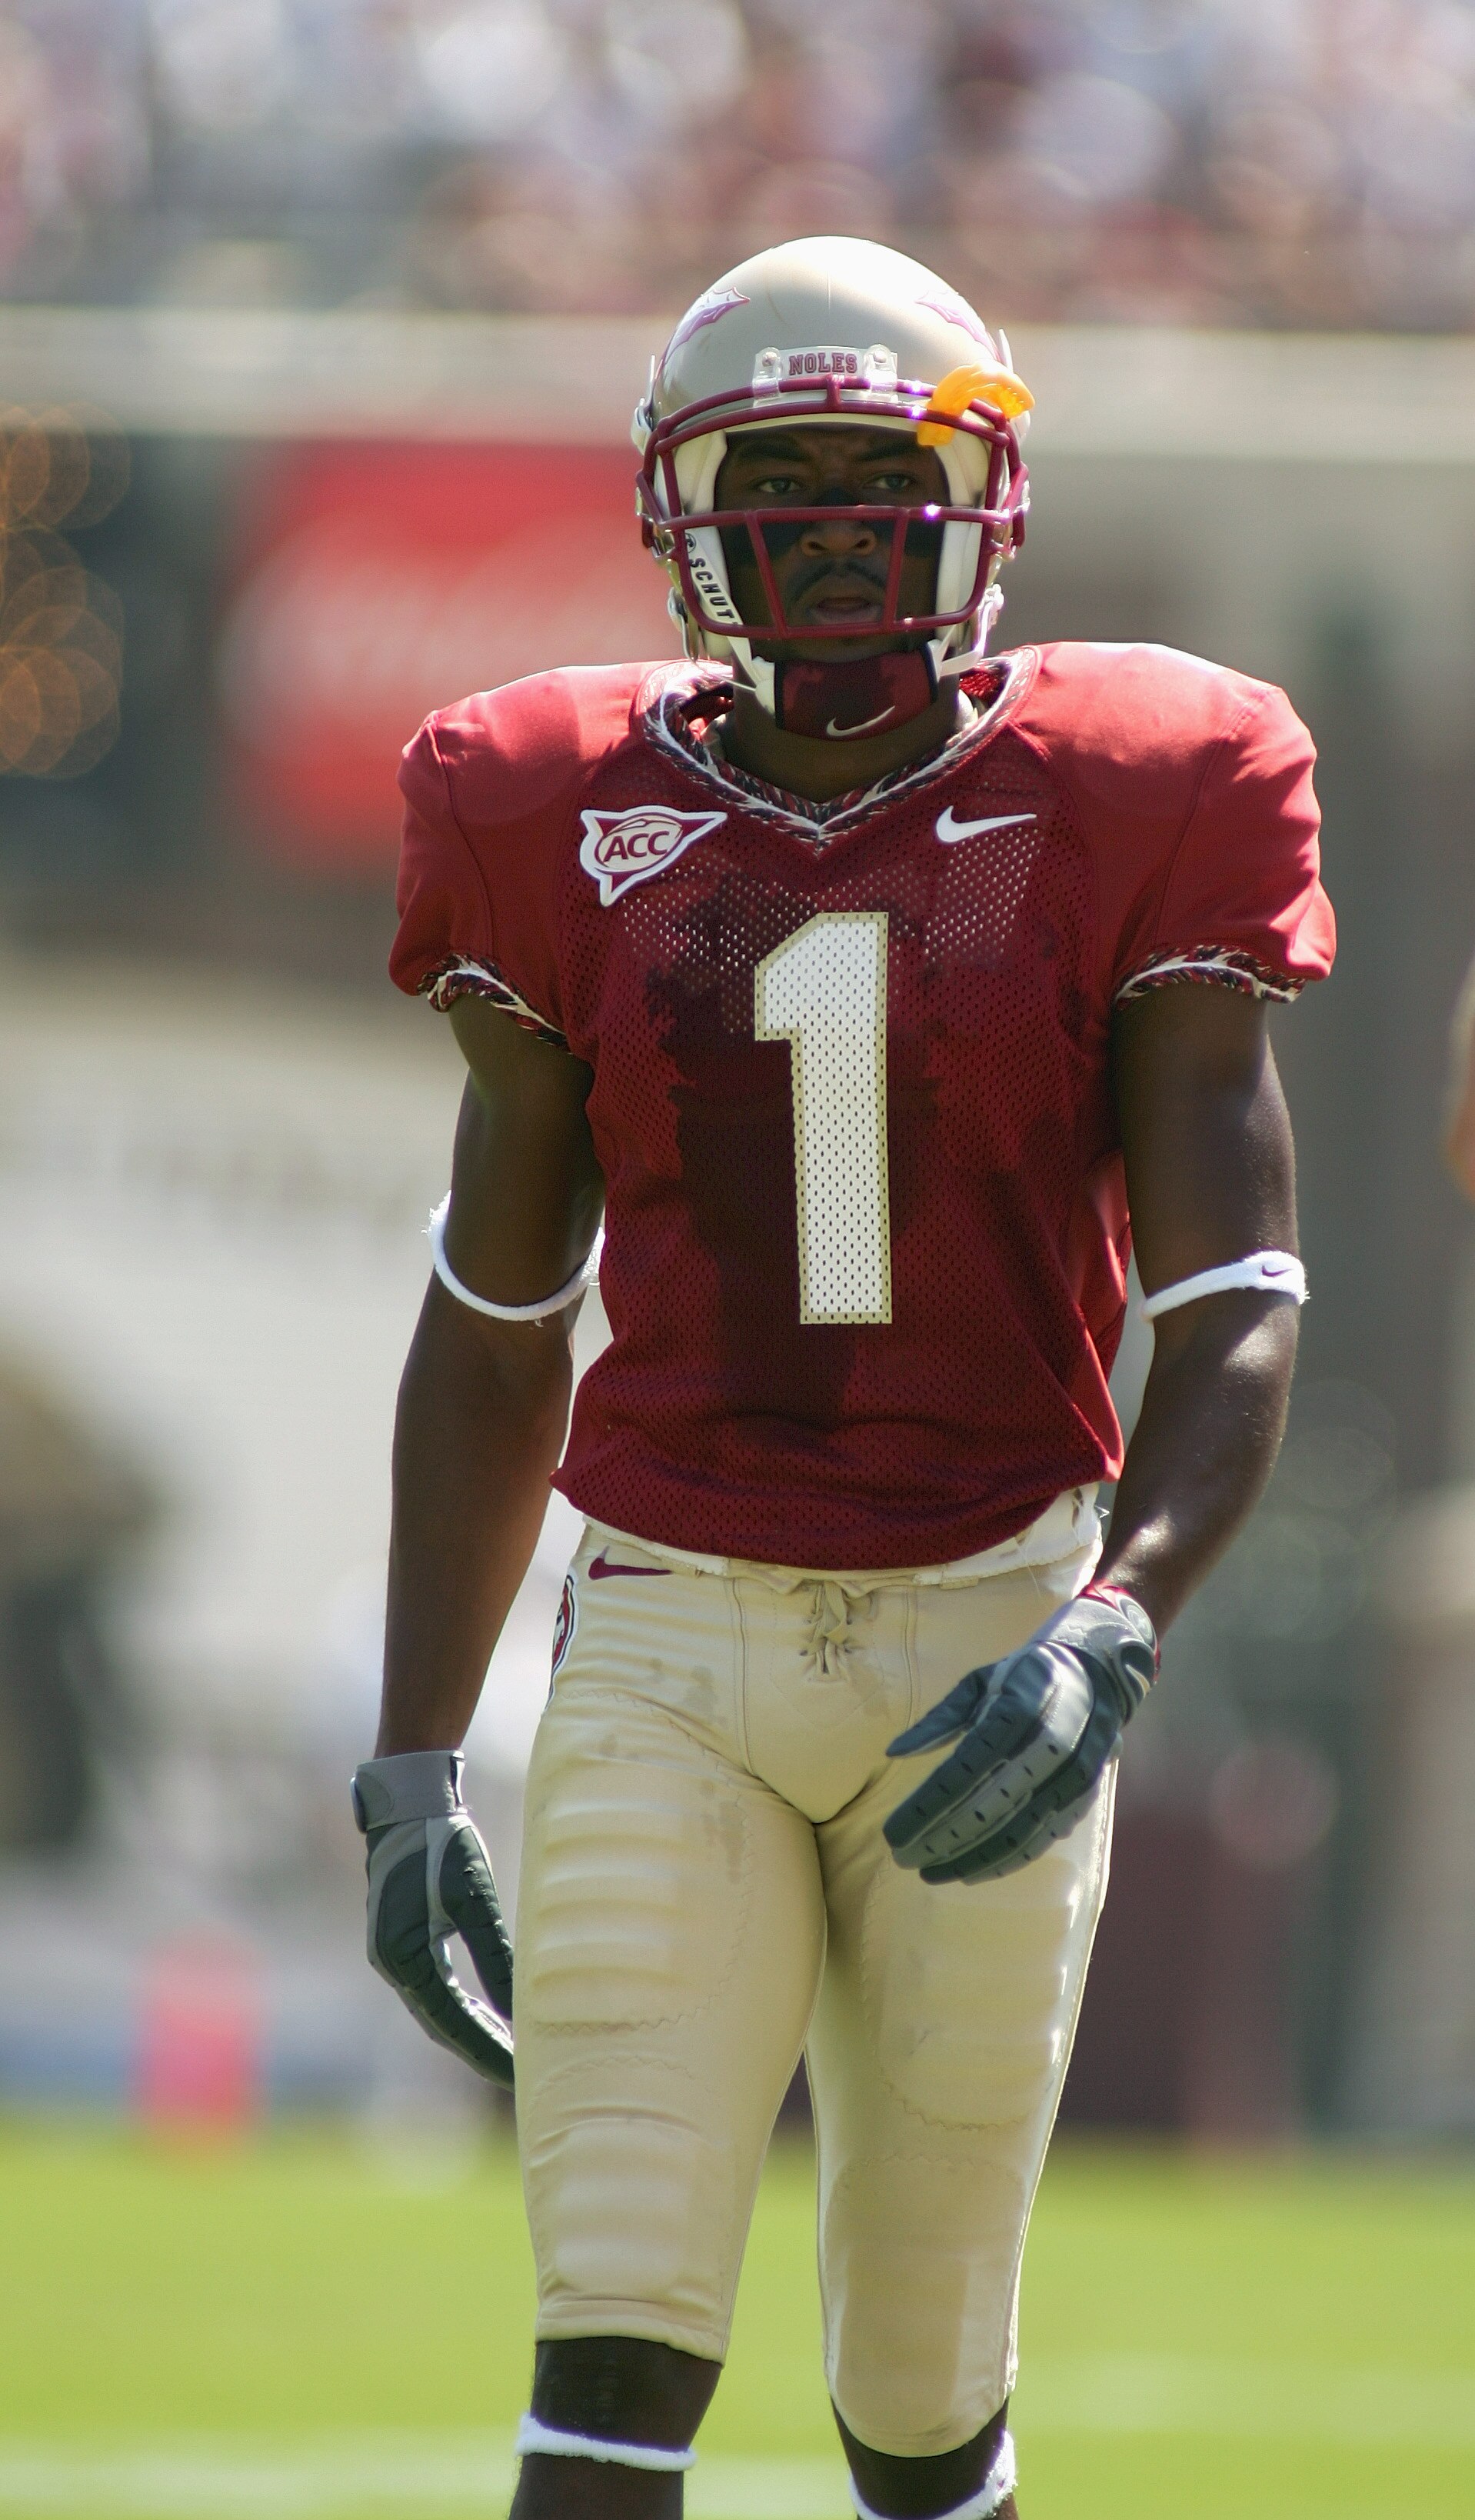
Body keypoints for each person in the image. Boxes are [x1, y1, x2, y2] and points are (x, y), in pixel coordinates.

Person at [351, 237, 1334, 2520]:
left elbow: (1237, 1293)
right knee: (607, 2360)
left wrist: (1120, 1619)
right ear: (682, 510)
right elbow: (500, 1323)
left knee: (921, 2401)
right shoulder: (537, 802)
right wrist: (415, 1760)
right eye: (764, 478)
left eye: (857, 475)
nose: (808, 528)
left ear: (972, 498)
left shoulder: (1148, 782)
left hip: (997, 1618)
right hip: (671, 1640)